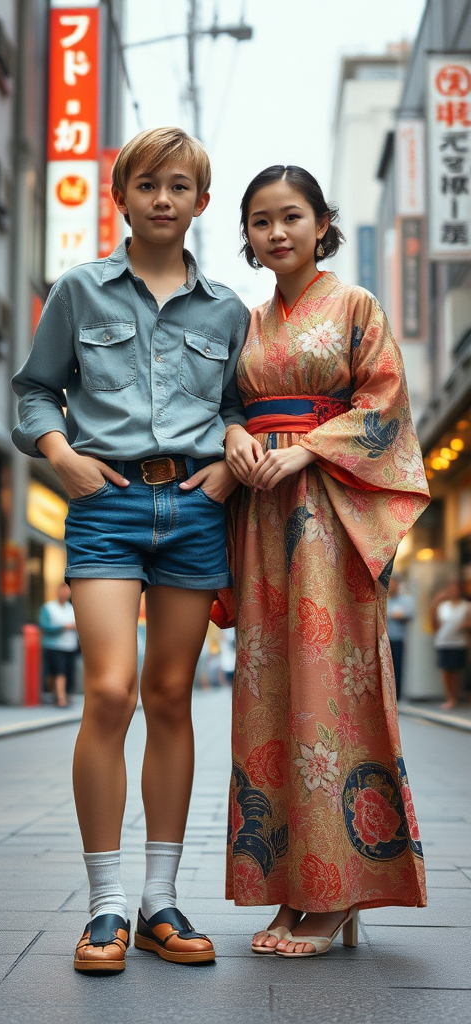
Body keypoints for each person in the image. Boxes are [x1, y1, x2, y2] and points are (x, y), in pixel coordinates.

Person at [12, 127, 249, 972]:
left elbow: (239, 407)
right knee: (110, 691)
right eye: (147, 183)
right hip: (105, 506)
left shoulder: (227, 309)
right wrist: (64, 458)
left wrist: (228, 465)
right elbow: (35, 390)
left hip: (192, 507)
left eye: (179, 186)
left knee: (174, 696)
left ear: (201, 203)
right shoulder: (80, 290)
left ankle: (160, 901)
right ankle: (105, 906)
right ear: (121, 195)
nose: (162, 198)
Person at [224, 165, 430, 958]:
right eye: (260, 221)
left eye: (291, 217)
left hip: (329, 519)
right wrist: (238, 435)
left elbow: (384, 407)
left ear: (321, 223)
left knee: (327, 691)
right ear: (245, 234)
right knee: (268, 694)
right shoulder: (245, 321)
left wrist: (307, 447)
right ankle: (288, 888)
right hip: (262, 520)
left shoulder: (356, 306)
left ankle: (336, 894)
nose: (276, 233)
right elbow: (230, 404)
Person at [430, 580, 471, 710]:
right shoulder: (442, 606)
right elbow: (434, 624)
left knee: (456, 670)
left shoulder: (466, 606)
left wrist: (464, 626)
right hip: (443, 641)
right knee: (445, 670)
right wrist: (435, 602)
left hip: (459, 642)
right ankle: (449, 698)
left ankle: (455, 696)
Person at [39, 582, 78, 707]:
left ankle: (60, 695)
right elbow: (44, 626)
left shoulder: (71, 608)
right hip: (54, 645)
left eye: (67, 592)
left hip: (70, 645)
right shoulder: (49, 607)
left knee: (67, 672)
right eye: (63, 591)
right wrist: (63, 627)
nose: (66, 594)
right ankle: (61, 698)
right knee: (59, 672)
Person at [386, 575, 415, 700]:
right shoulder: (384, 600)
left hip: (398, 638)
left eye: (392, 583)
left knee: (397, 666)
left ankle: (396, 696)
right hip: (385, 639)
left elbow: (408, 615)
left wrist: (395, 615)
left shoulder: (406, 600)